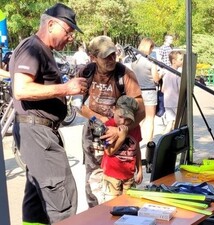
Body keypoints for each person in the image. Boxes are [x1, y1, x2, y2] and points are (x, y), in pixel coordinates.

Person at [10, 3, 86, 224]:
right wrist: (66, 88)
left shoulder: (44, 50)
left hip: (38, 131)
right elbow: (21, 89)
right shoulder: (33, 47)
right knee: (61, 196)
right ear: (51, 24)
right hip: (37, 132)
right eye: (68, 30)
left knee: (37, 199)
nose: (70, 37)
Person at [77, 35, 145, 208]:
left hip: (119, 134)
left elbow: (141, 110)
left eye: (113, 55)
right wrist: (100, 119)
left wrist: (122, 129)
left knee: (118, 181)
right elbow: (77, 105)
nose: (111, 59)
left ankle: (119, 213)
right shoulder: (86, 73)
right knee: (94, 178)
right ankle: (95, 214)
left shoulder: (125, 74)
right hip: (94, 133)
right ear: (93, 57)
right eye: (105, 56)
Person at [100, 95, 143, 202]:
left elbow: (136, 148)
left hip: (129, 174)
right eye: (120, 116)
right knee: (112, 205)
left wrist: (140, 169)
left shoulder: (135, 127)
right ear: (114, 109)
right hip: (112, 175)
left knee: (129, 203)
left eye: (128, 119)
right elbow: (109, 151)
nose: (123, 122)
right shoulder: (108, 126)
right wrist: (121, 137)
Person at [131, 37, 160, 144]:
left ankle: (137, 138)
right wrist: (160, 74)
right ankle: (149, 141)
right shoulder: (151, 62)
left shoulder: (134, 62)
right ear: (149, 47)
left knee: (139, 117)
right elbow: (156, 79)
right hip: (150, 91)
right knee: (150, 118)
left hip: (138, 92)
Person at [162, 50, 183, 134]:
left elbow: (163, 89)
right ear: (174, 61)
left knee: (170, 123)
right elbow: (180, 88)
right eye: (181, 59)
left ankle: (162, 140)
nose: (182, 61)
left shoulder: (166, 73)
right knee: (179, 122)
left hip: (167, 101)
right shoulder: (178, 74)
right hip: (176, 102)